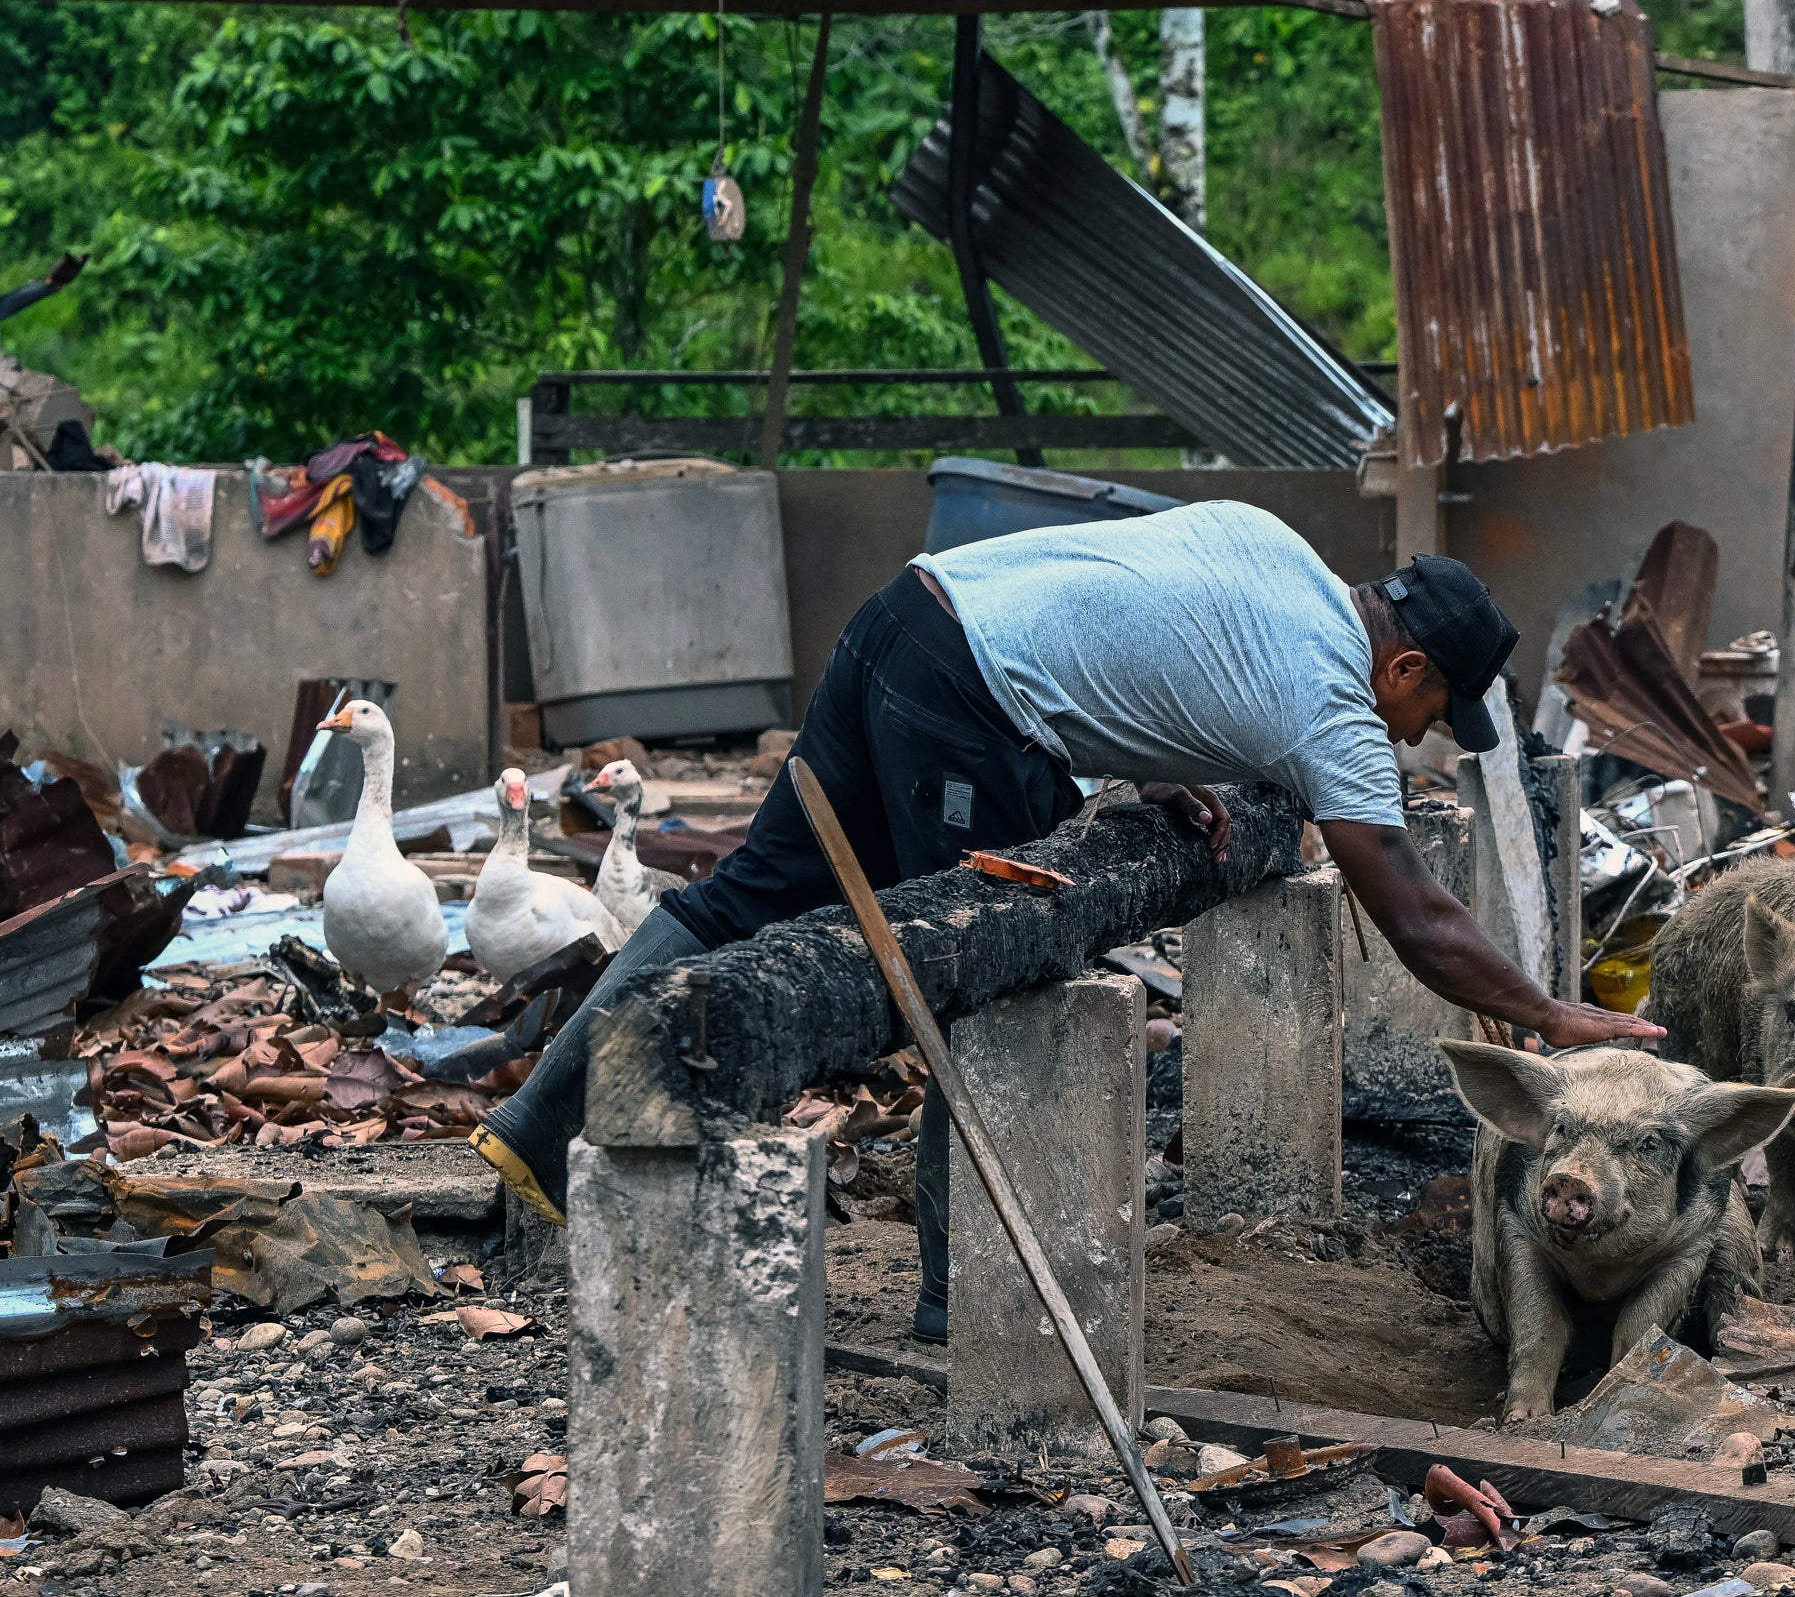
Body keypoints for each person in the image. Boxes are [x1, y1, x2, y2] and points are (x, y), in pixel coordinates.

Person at [473, 500, 1663, 1339]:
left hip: (907, 615)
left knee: (746, 893)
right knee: (976, 965)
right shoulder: (1335, 706)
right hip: (967, 702)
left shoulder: (1277, 547)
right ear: (1403, 669)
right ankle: (964, 1300)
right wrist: (1551, 1013)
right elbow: (1412, 912)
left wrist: (1156, 762)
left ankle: (534, 1126)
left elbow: (1139, 623)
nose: (1418, 741)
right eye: (1435, 714)